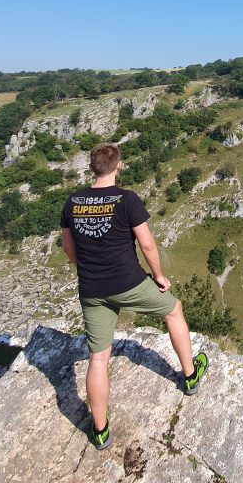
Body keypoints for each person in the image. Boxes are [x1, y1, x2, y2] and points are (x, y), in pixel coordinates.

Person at [60, 142, 208, 450]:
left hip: (92, 289)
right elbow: (148, 245)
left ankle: (100, 430)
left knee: (98, 357)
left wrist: (88, 269)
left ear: (91, 168)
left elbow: (69, 249)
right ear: (119, 166)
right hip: (129, 283)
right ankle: (190, 375)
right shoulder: (127, 200)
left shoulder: (72, 203)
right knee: (173, 310)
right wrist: (158, 276)